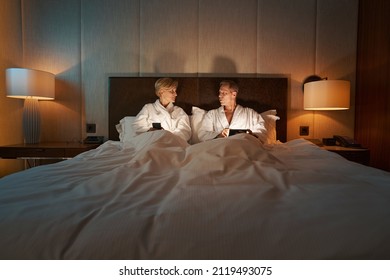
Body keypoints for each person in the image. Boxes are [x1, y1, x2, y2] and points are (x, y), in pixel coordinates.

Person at [198, 80, 267, 142]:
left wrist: (250, 135)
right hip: (220, 149)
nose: (219, 96)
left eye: (224, 93)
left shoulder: (250, 114)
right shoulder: (212, 114)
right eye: (220, 93)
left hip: (243, 149)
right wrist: (219, 135)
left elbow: (262, 133)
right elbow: (202, 134)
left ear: (234, 94)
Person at [132, 78, 191, 142]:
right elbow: (137, 127)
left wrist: (166, 135)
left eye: (175, 91)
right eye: (172, 91)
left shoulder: (179, 111)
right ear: (161, 92)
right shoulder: (148, 108)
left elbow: (185, 132)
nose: (176, 94)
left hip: (171, 144)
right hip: (151, 142)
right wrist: (150, 131)